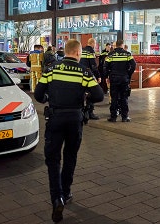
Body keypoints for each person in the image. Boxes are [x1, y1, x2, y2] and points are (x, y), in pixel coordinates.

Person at [34, 39, 104, 223]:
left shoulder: (51, 69)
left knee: (53, 159)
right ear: (79, 53)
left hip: (55, 119)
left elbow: (39, 94)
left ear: (65, 52)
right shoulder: (84, 71)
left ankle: (57, 198)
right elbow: (99, 95)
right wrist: (86, 97)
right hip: (75, 119)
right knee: (70, 156)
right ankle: (66, 192)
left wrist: (49, 96)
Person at [104, 40, 136, 122]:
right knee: (124, 97)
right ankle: (124, 117)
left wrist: (107, 75)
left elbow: (105, 66)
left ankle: (113, 117)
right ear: (122, 45)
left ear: (116, 45)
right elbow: (133, 65)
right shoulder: (127, 54)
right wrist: (128, 74)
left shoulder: (110, 54)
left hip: (114, 79)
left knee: (114, 98)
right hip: (124, 79)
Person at [80, 38, 101, 120]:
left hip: (81, 74)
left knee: (82, 94)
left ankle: (82, 111)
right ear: (92, 43)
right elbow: (93, 65)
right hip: (89, 75)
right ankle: (90, 112)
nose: (95, 45)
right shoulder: (91, 51)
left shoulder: (82, 50)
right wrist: (98, 76)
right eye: (95, 44)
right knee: (91, 93)